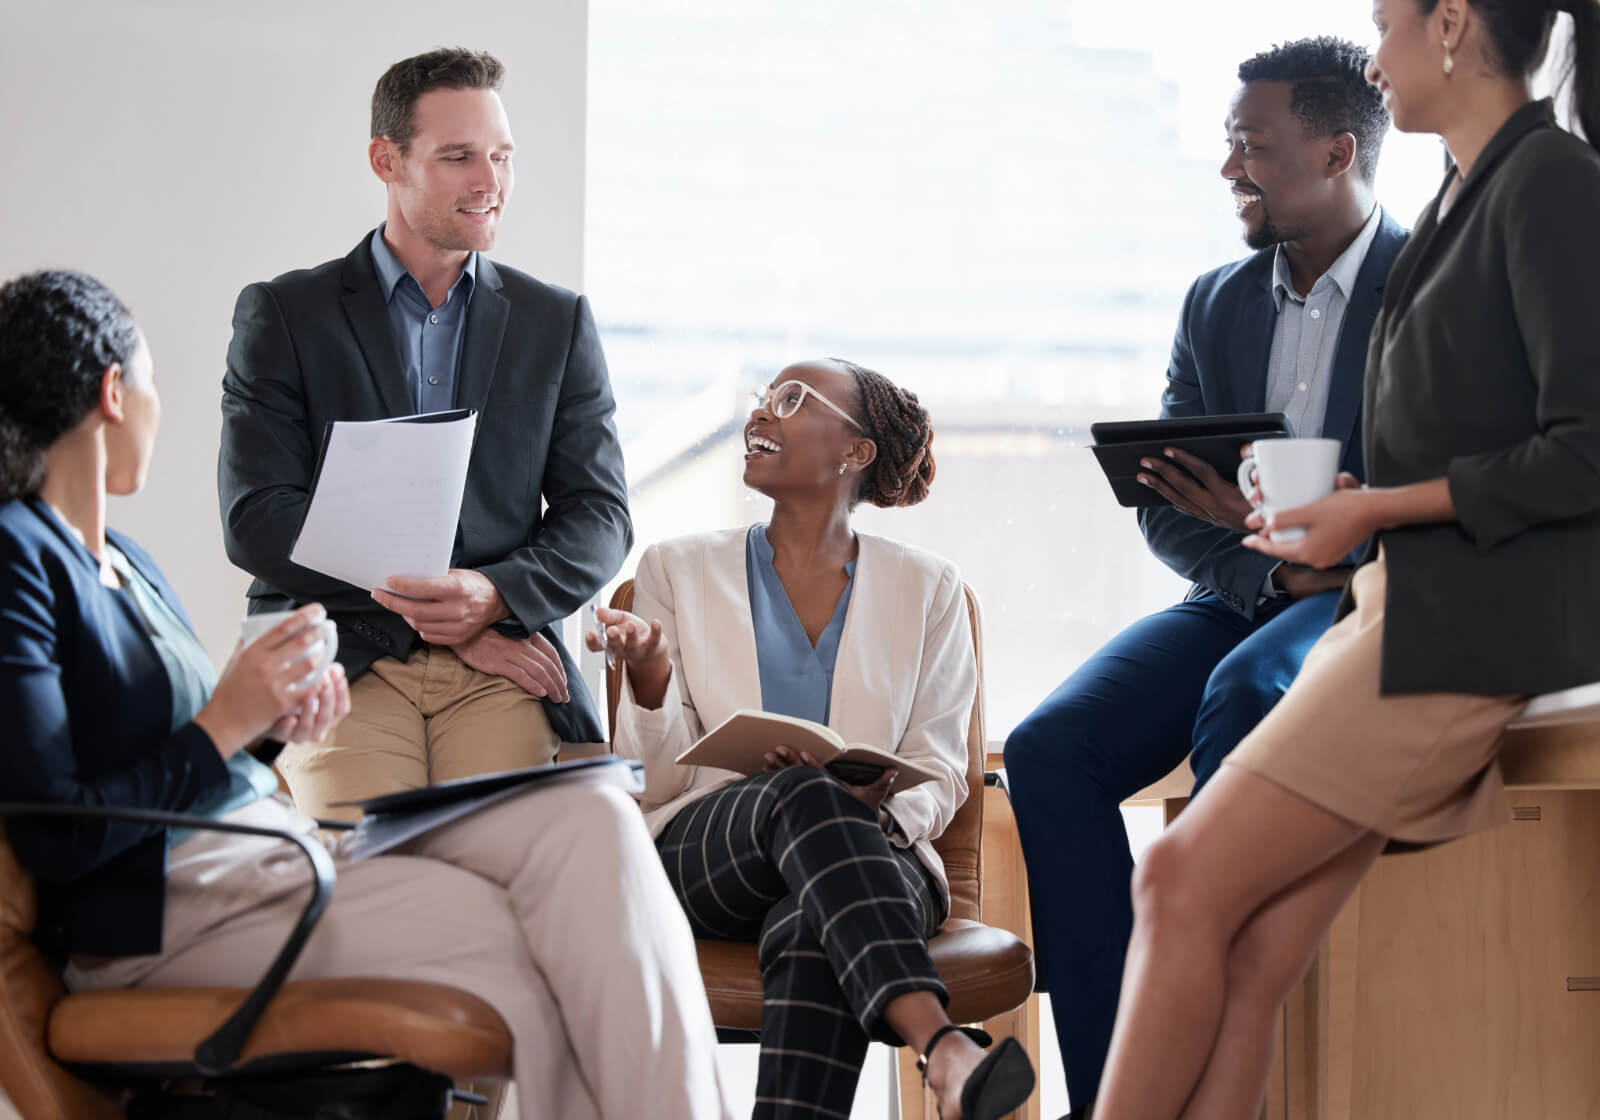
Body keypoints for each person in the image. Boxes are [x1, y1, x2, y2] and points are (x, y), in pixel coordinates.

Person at [0, 269, 730, 1120]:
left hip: (267, 859)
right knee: (558, 942)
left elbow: (186, 746)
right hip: (177, 909)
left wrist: (269, 718)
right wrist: (229, 719)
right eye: (155, 382)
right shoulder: (19, 555)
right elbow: (58, 830)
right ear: (113, 392)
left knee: (590, 818)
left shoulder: (121, 558)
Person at [1092, 1, 1600, 1116]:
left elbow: (1585, 448)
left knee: (1175, 879)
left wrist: (1371, 509)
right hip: (1402, 603)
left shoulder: (1549, 181)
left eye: (1386, 22)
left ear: (1453, 24)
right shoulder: (1469, 193)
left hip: (1453, 629)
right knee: (1257, 953)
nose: (1375, 56)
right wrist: (1360, 512)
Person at [1001, 37, 1406, 1116]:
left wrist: (1328, 560)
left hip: (1369, 603)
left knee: (1241, 695)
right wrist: (1268, 577)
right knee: (1049, 748)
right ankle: (1116, 1093)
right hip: (1249, 597)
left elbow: (1443, 484)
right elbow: (1167, 502)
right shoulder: (1214, 301)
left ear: (1332, 151)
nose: (1230, 169)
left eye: (1249, 146)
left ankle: (1217, 1075)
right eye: (1229, 144)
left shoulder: (1428, 290)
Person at [593, 359, 1036, 1120]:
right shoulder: (675, 568)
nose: (760, 415)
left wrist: (883, 810)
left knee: (810, 927)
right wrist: (653, 682)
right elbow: (658, 785)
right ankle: (944, 1046)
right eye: (764, 400)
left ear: (854, 452)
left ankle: (941, 1052)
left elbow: (939, 767)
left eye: (791, 401)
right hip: (711, 859)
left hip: (876, 852)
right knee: (803, 789)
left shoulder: (930, 589)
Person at [218, 48, 630, 821]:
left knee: (502, 862)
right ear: (387, 159)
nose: (490, 182)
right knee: (380, 877)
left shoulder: (556, 322)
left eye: (501, 156)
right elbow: (257, 517)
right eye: (458, 157)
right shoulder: (284, 315)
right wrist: (443, 615)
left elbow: (601, 518)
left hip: (504, 664)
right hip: (342, 654)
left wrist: (492, 596)